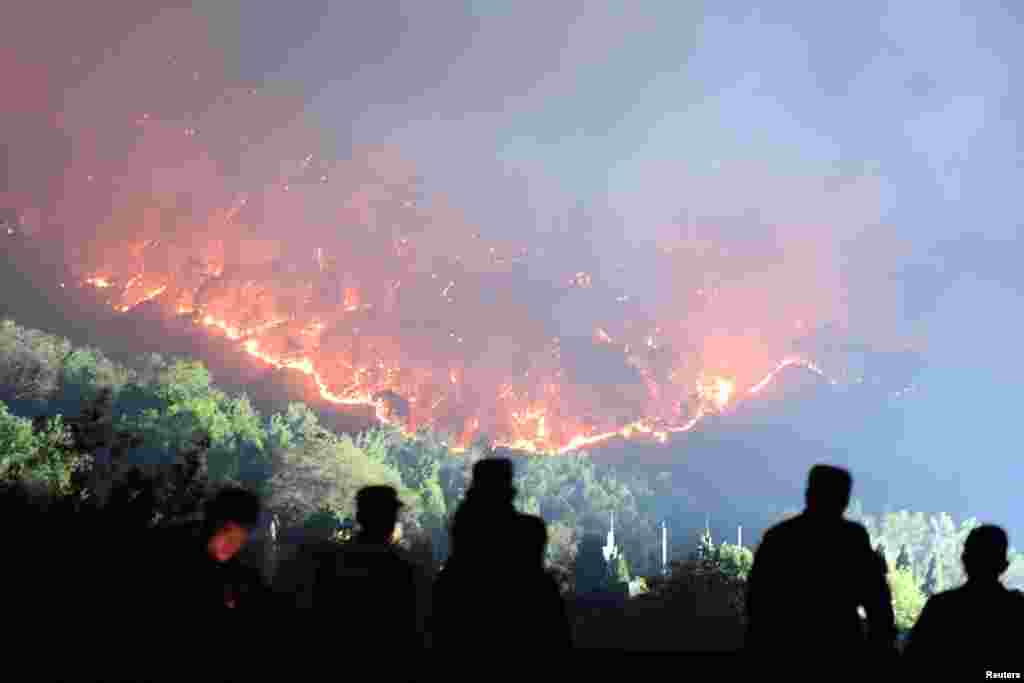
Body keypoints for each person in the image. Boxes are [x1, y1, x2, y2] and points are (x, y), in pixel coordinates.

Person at [745, 465, 895, 665]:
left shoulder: (779, 537)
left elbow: (757, 600)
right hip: (842, 647)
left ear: (809, 494)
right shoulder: (852, 538)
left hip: (785, 650)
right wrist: (880, 646)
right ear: (845, 500)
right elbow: (877, 600)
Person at [904, 525, 1024, 670]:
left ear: (965, 560)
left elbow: (912, 662)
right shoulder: (1017, 609)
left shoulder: (941, 607)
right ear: (1004, 565)